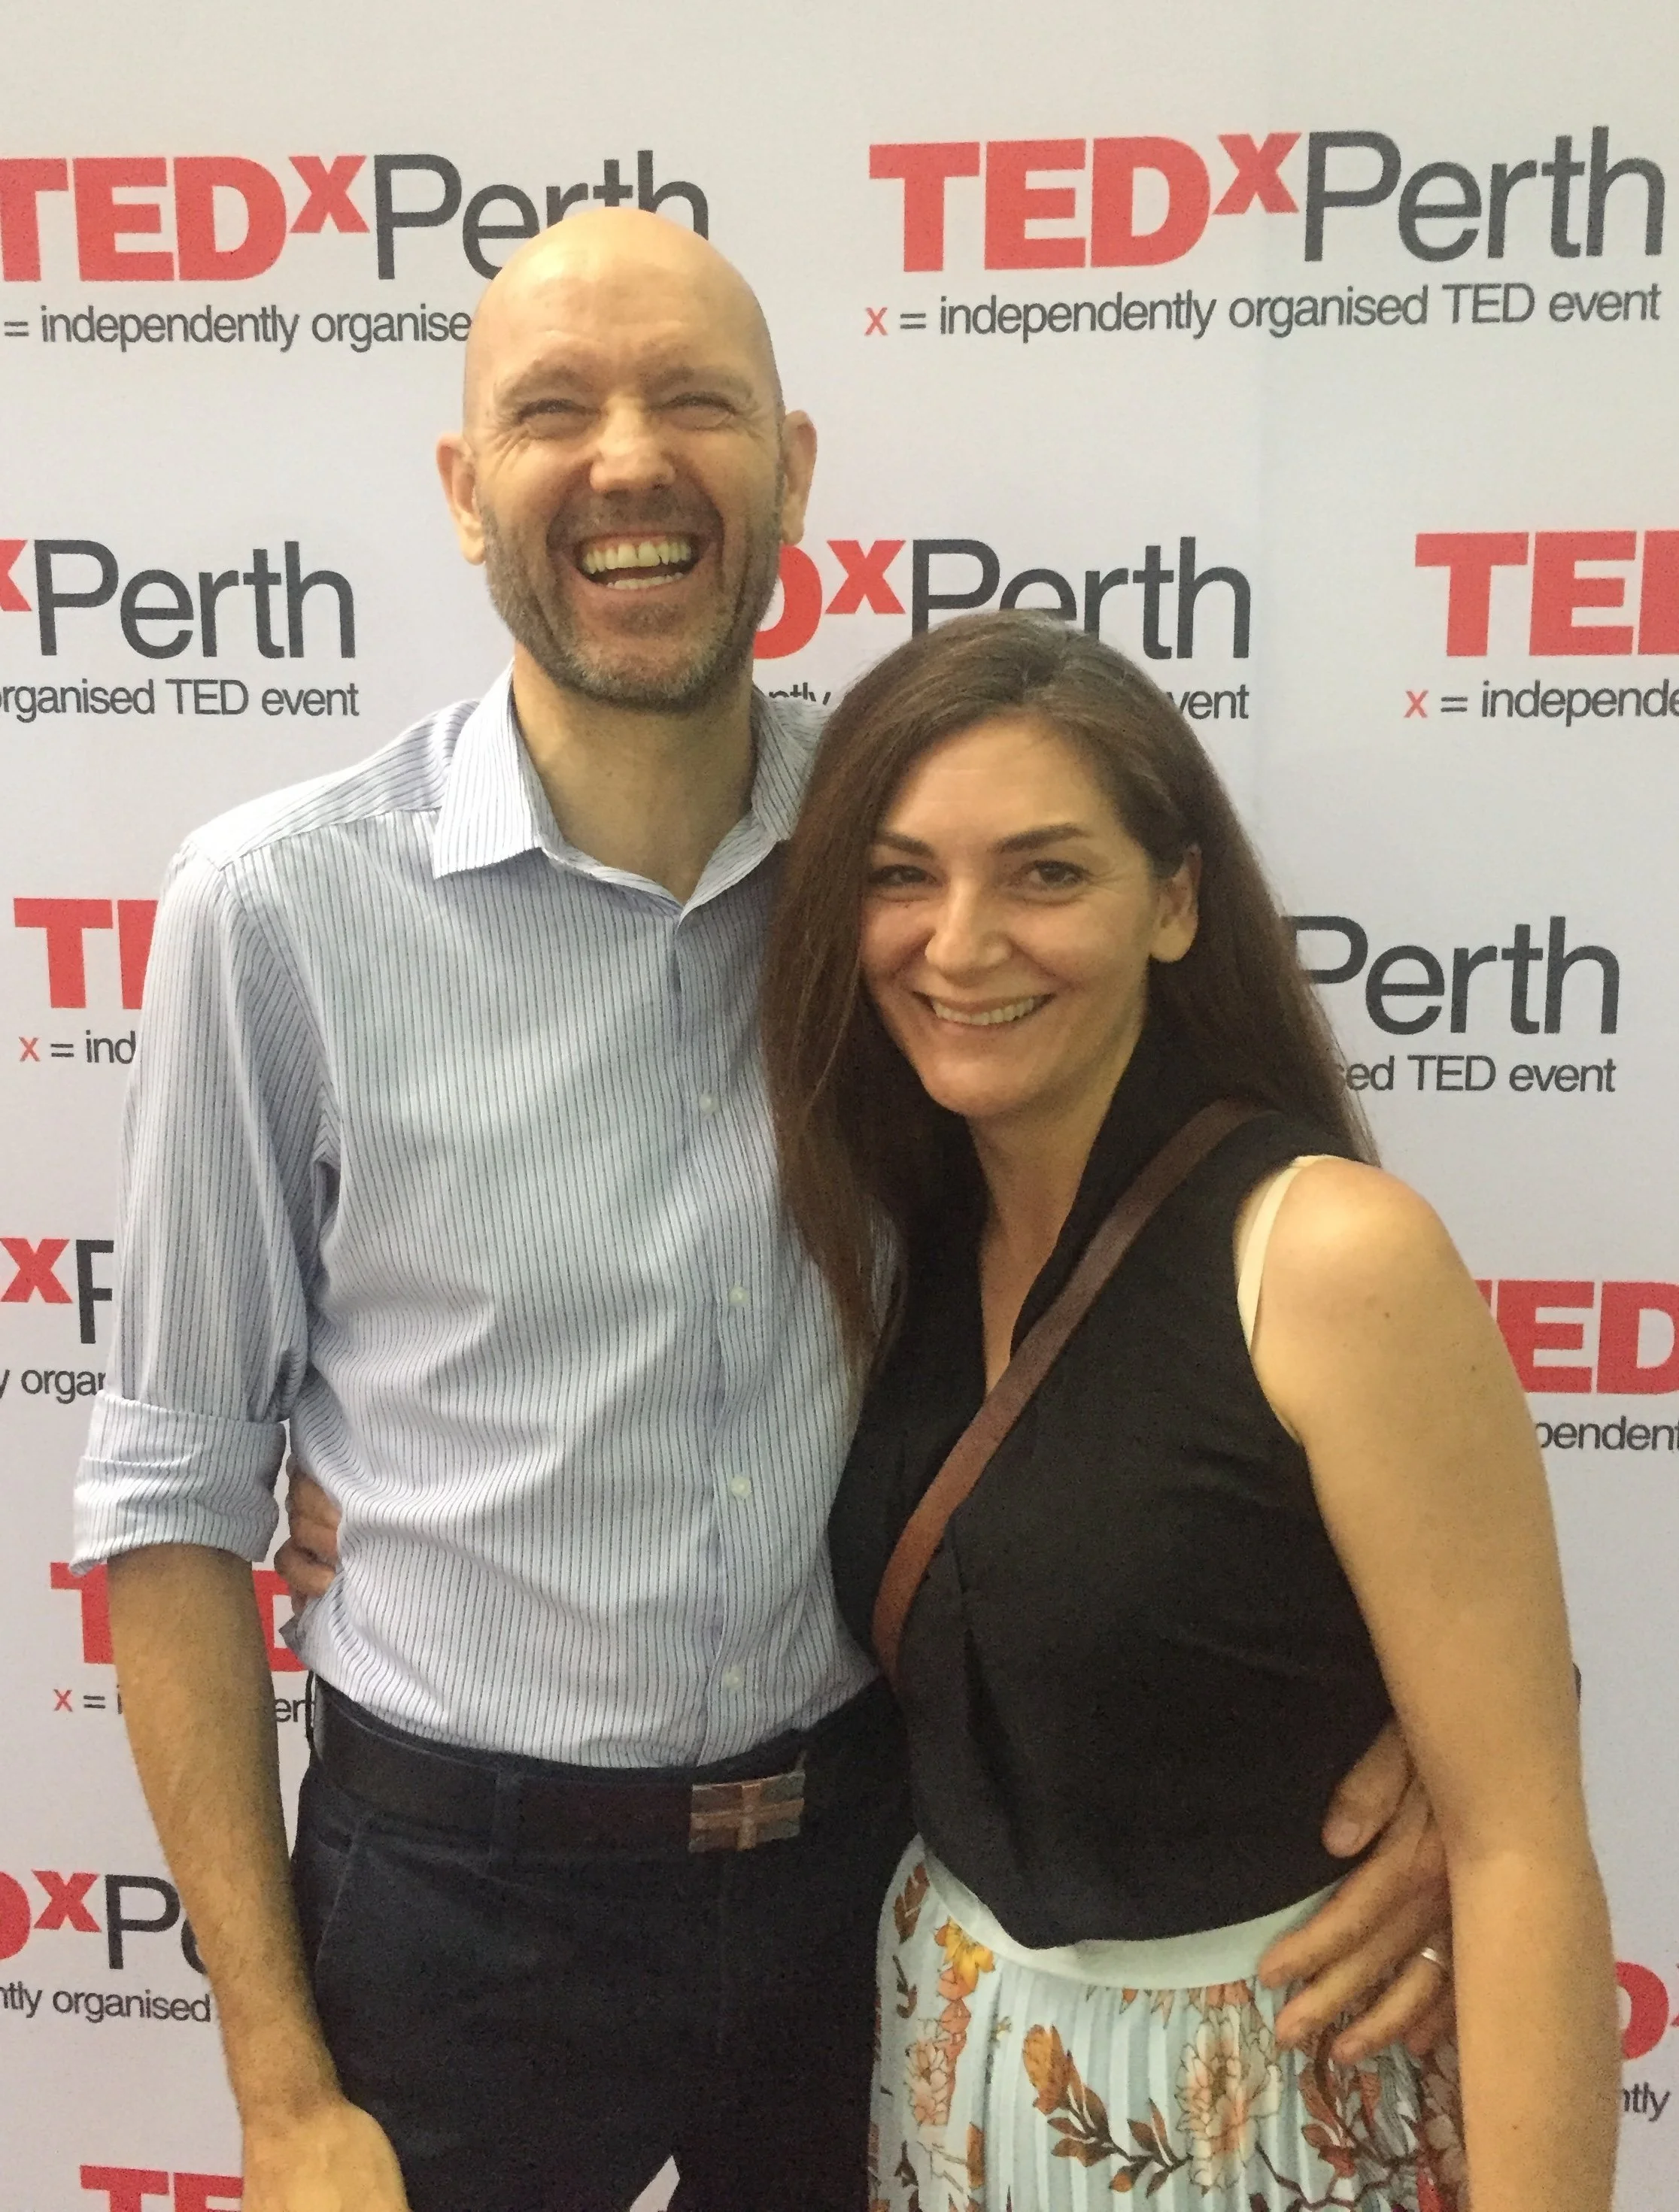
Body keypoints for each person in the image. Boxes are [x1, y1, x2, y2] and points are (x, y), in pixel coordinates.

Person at [76, 208, 1450, 2212]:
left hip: (867, 1868)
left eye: (695, 401)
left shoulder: (919, 882)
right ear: (466, 494)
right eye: (553, 412)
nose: (627, 459)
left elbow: (1233, 1268)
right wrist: (281, 2091)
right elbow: (178, 1485)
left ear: (793, 469)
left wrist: (1461, 1720)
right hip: (453, 1907)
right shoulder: (274, 909)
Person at [758, 611, 1620, 2211]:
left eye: (1046, 873)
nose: (960, 941)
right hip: (951, 2077)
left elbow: (1519, 1852)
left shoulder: (1325, 1252)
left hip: (1273, 2106)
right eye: (900, 875)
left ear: (1174, 902)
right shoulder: (901, 1222)